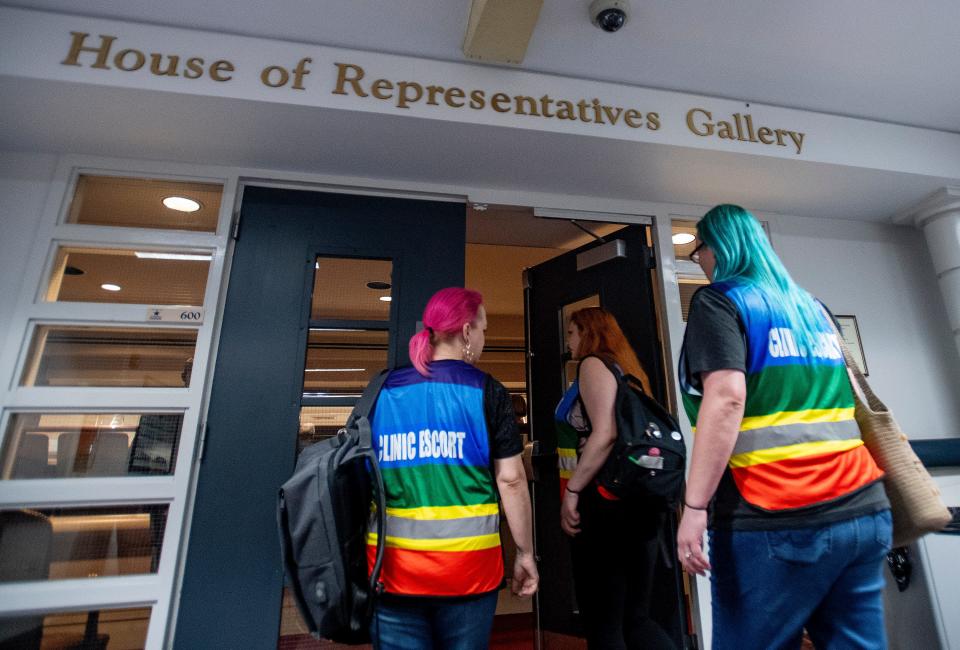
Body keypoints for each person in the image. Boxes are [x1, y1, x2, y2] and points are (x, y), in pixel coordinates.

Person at [677, 204, 892, 649]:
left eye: (698, 249)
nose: (698, 259)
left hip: (776, 511)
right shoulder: (814, 308)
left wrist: (694, 506)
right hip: (863, 509)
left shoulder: (719, 300)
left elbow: (727, 398)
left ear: (718, 248)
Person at [367, 287, 539, 649]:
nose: (483, 339)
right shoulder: (486, 391)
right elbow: (510, 481)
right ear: (465, 332)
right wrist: (524, 553)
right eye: (484, 330)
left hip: (392, 570)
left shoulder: (383, 390)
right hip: (468, 573)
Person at [557, 307, 675, 650]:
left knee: (604, 619)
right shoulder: (628, 369)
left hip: (608, 505)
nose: (569, 341)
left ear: (588, 333)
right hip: (640, 505)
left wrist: (573, 491)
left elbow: (606, 433)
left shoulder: (593, 365)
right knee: (635, 618)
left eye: (572, 333)